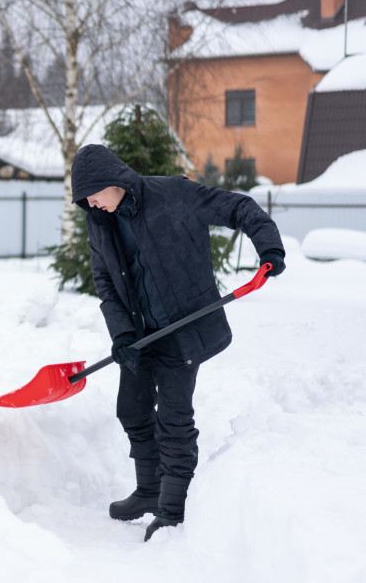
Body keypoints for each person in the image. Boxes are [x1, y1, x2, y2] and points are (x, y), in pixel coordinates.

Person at [70, 144, 285, 541]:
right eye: (85, 200)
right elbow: (105, 283)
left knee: (173, 419)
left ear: (110, 181)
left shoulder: (175, 193)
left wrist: (268, 247)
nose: (91, 203)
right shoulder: (99, 222)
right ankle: (149, 491)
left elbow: (239, 208)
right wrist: (121, 334)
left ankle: (172, 509)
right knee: (132, 410)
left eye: (93, 194)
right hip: (140, 333)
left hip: (184, 326)